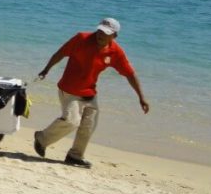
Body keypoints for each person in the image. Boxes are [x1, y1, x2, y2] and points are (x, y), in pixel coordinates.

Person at [33, 17, 149, 168]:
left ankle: (75, 156)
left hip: (89, 92)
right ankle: (41, 139)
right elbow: (60, 53)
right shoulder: (81, 38)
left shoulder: (116, 52)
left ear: (114, 36)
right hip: (69, 89)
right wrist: (46, 70)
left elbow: (130, 74)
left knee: (89, 125)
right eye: (99, 30)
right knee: (72, 121)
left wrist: (141, 97)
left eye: (106, 33)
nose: (100, 34)